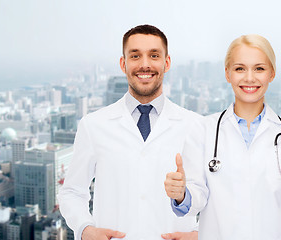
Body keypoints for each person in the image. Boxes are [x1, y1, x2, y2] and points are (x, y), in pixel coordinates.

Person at [163, 34, 281, 239]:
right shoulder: (203, 130)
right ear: (227, 74)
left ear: (272, 73)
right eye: (240, 68)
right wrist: (181, 194)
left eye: (259, 68)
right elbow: (196, 198)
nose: (249, 78)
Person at [58, 24, 201, 240]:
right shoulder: (93, 125)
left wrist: (199, 232)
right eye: (135, 56)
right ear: (123, 64)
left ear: (167, 62)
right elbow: (72, 192)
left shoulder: (196, 126)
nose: (145, 64)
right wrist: (85, 230)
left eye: (154, 55)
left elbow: (218, 198)